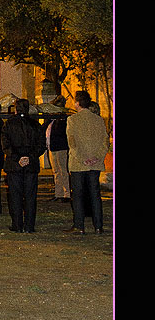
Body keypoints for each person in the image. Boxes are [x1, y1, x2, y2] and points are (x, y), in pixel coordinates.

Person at [64, 90, 109, 235]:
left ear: (77, 103)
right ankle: (98, 225)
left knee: (77, 194)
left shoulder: (72, 120)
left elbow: (72, 143)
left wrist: (82, 158)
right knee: (95, 194)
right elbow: (105, 141)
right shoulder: (99, 120)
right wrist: (97, 157)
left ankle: (79, 225)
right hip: (95, 164)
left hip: (78, 164)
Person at [1, 98, 46, 233]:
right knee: (30, 196)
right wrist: (29, 157)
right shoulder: (36, 125)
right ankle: (29, 225)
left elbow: (6, 145)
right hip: (31, 165)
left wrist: (17, 158)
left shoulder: (8, 124)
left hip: (14, 165)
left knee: (15, 196)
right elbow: (41, 145)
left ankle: (17, 224)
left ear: (15, 109)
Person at [46, 112, 70, 202]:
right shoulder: (52, 120)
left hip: (61, 148)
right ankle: (58, 193)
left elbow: (61, 133)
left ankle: (66, 194)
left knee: (63, 170)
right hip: (52, 148)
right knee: (56, 171)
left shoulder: (63, 120)